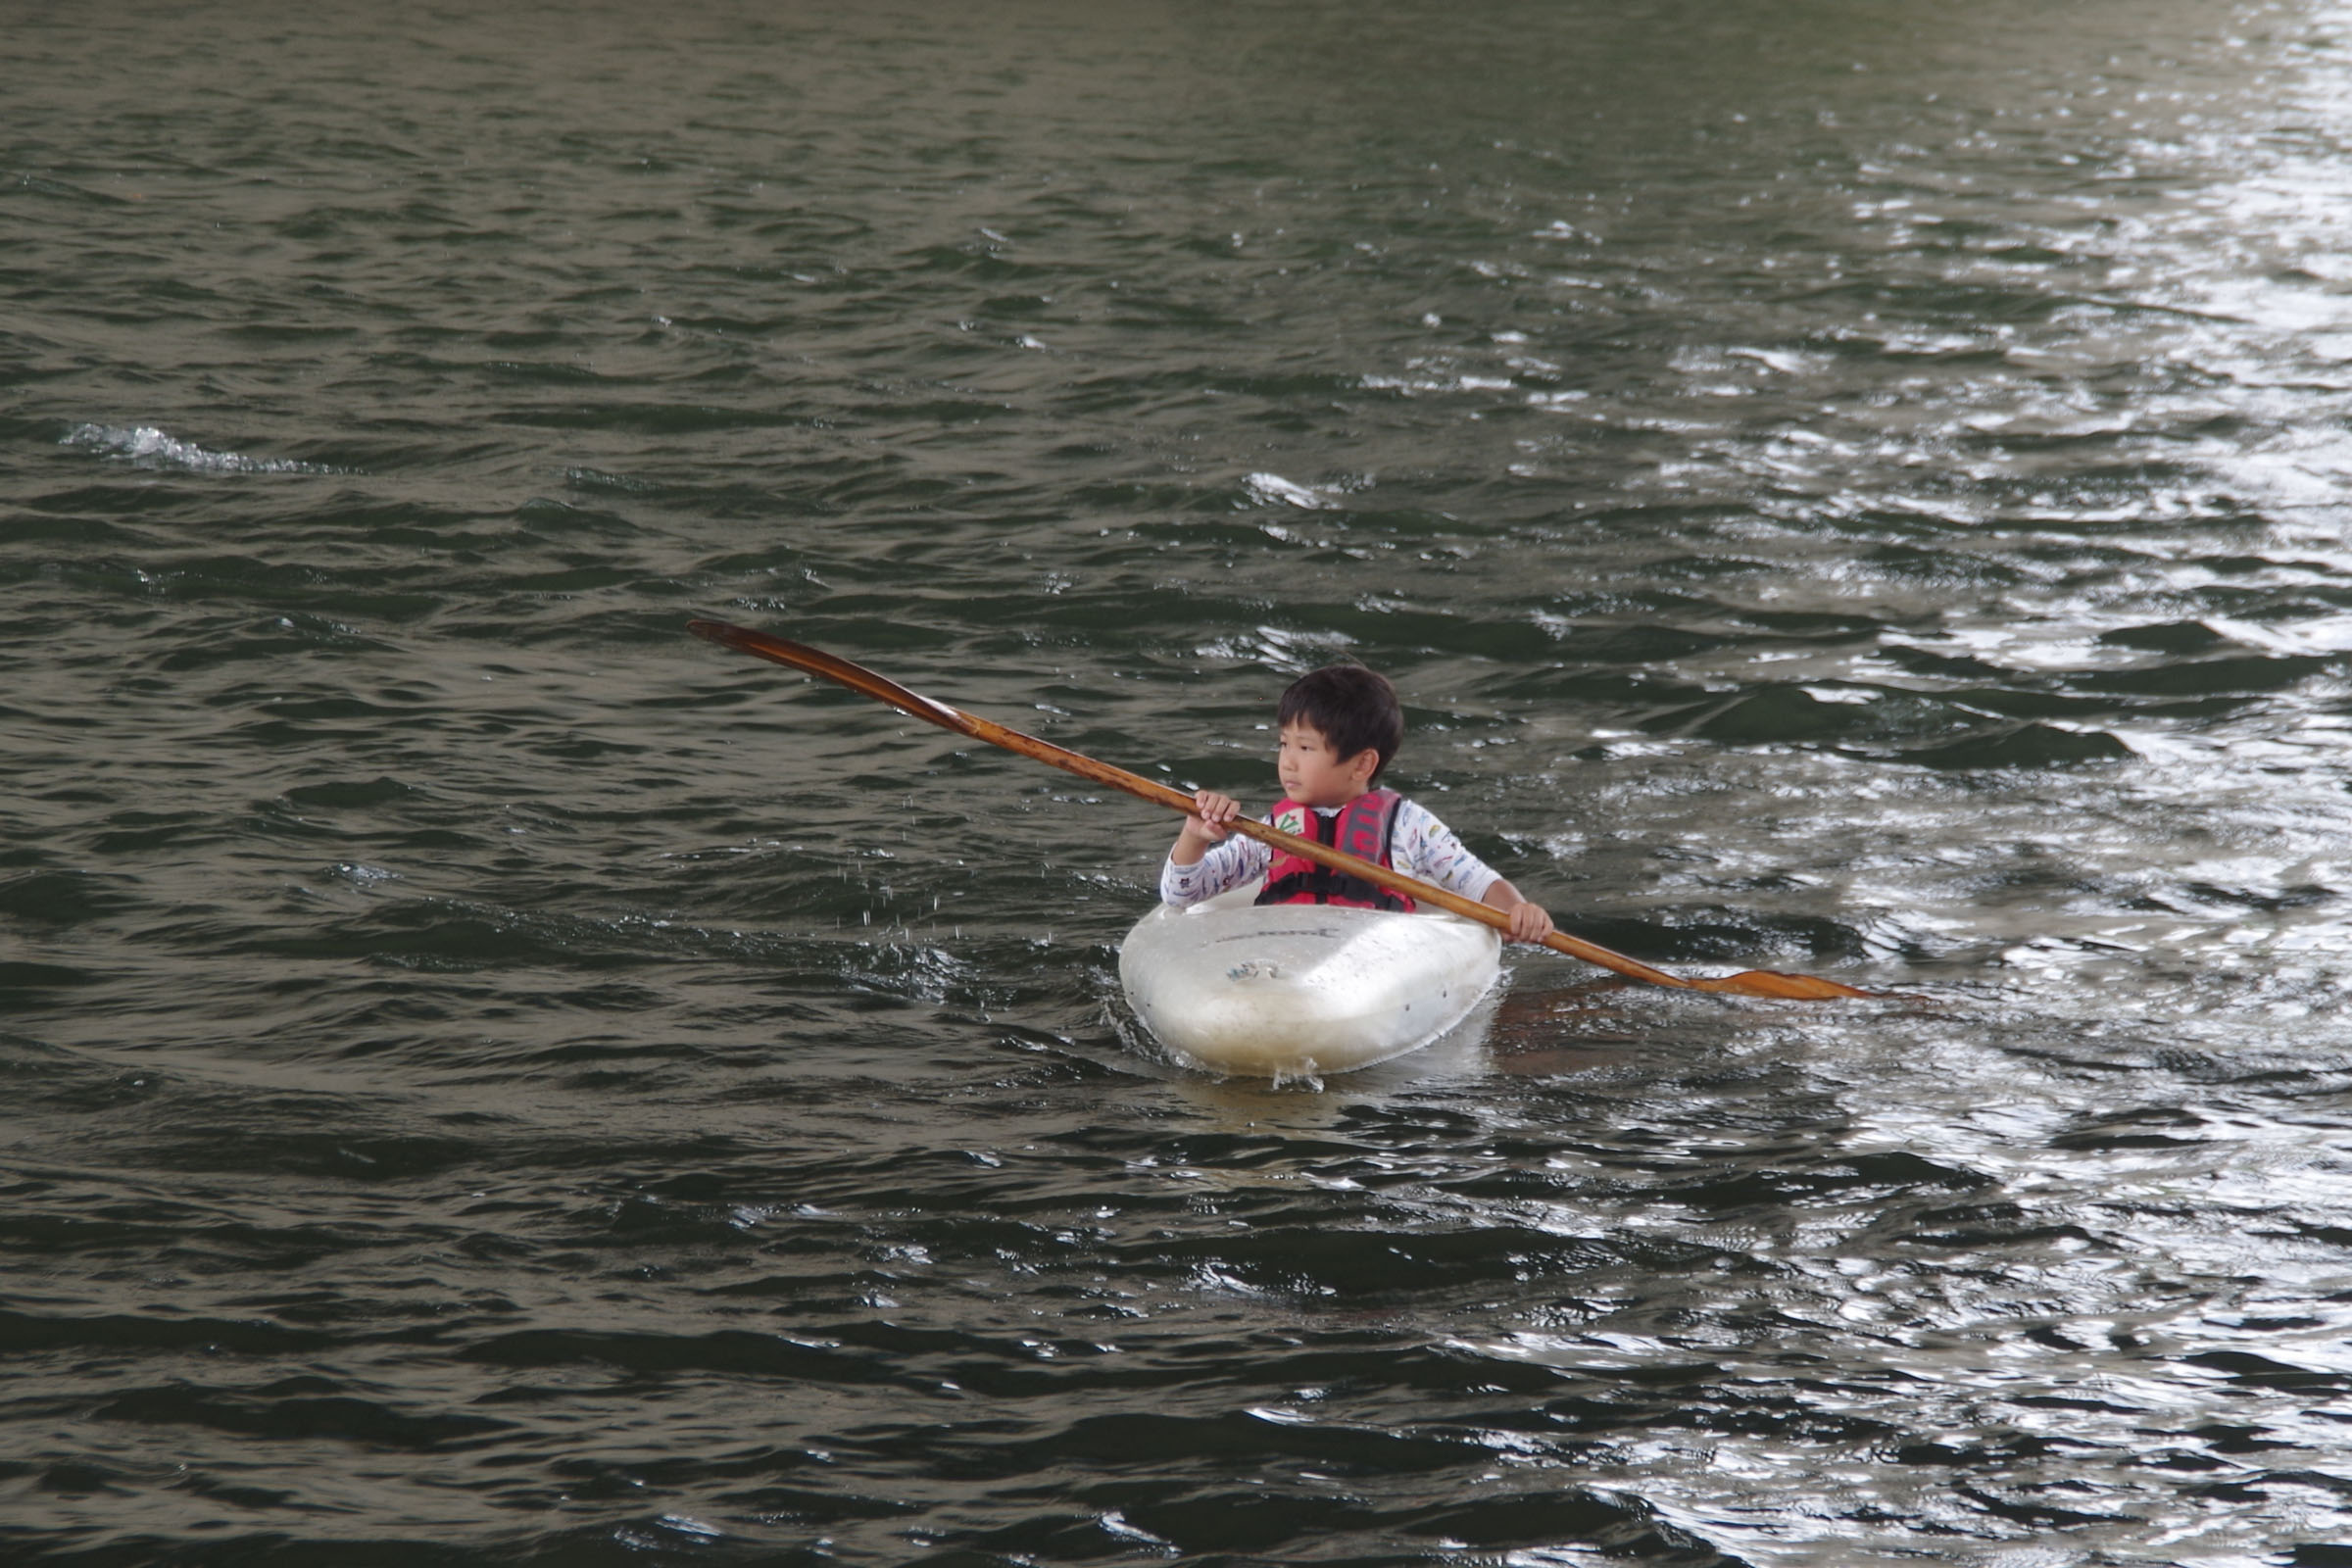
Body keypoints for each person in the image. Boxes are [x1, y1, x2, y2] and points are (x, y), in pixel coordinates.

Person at [1161, 664, 1557, 944]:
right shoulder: (1270, 831)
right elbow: (1181, 896)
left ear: (1362, 763)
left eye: (1305, 747)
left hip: (1371, 960)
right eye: (1284, 743)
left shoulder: (1409, 825)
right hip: (1281, 951)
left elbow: (1476, 881)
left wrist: (1518, 911)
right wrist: (1195, 837)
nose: (1287, 760)